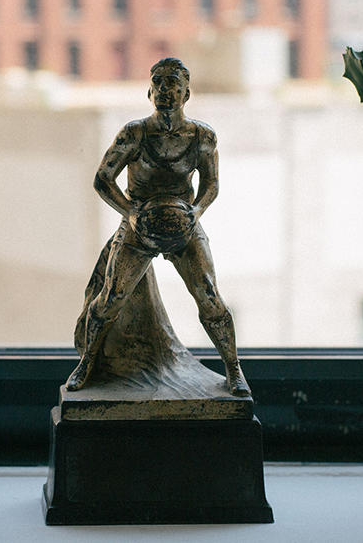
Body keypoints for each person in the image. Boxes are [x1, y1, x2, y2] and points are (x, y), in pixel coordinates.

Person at [65, 57, 250, 396]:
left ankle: (234, 370)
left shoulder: (203, 137)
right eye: (159, 82)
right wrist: (131, 212)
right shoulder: (134, 134)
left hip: (184, 228)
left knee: (209, 296)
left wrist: (196, 212)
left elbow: (212, 185)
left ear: (187, 93)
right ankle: (86, 362)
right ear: (149, 91)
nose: (165, 89)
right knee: (110, 298)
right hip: (139, 227)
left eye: (173, 83)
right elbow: (103, 179)